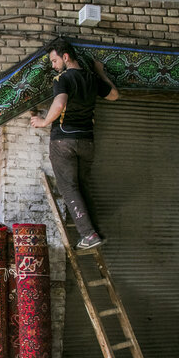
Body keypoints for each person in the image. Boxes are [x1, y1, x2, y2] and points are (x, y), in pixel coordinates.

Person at [31, 39, 119, 250]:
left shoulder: (62, 78)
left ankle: (88, 234)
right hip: (87, 142)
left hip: (64, 141)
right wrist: (100, 73)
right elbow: (114, 95)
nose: (53, 65)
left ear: (66, 57)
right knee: (83, 186)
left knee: (68, 187)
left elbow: (60, 103)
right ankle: (95, 231)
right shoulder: (91, 78)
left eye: (54, 60)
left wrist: (43, 121)